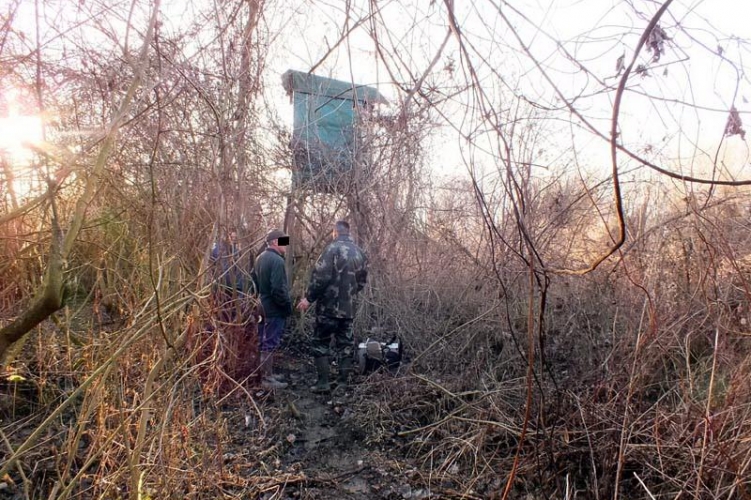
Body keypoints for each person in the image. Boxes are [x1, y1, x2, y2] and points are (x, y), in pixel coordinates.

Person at [297, 220, 368, 393]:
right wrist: (349, 295)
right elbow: (361, 282)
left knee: (320, 343)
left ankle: (323, 383)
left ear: (335, 232)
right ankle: (342, 383)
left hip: (328, 308)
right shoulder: (360, 253)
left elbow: (320, 278)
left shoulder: (331, 249)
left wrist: (309, 298)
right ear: (348, 232)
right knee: (345, 345)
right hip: (348, 309)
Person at [253, 229, 293, 390]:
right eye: (284, 242)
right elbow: (278, 289)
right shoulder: (277, 260)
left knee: (263, 340)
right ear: (275, 242)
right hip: (273, 308)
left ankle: (265, 374)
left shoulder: (259, 258)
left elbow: (254, 283)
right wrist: (287, 307)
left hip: (261, 305)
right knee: (269, 342)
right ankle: (267, 379)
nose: (286, 245)